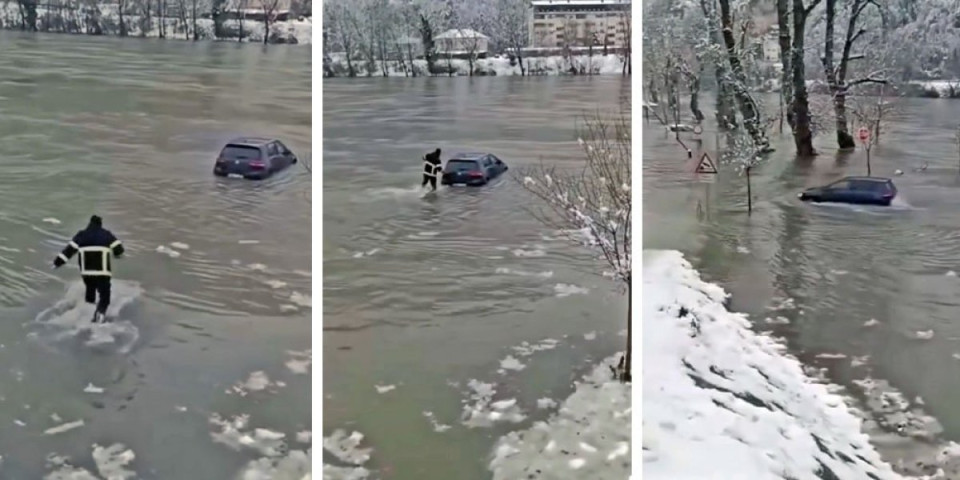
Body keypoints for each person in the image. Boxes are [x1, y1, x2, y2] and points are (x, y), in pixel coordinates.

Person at [53, 215, 125, 323]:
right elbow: (119, 249)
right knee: (104, 296)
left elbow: (68, 251)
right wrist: (116, 254)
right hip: (102, 272)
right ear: (100, 224)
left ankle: (86, 312)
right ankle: (99, 315)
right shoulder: (106, 234)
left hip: (87, 273)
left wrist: (57, 263)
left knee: (90, 291)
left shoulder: (81, 235)